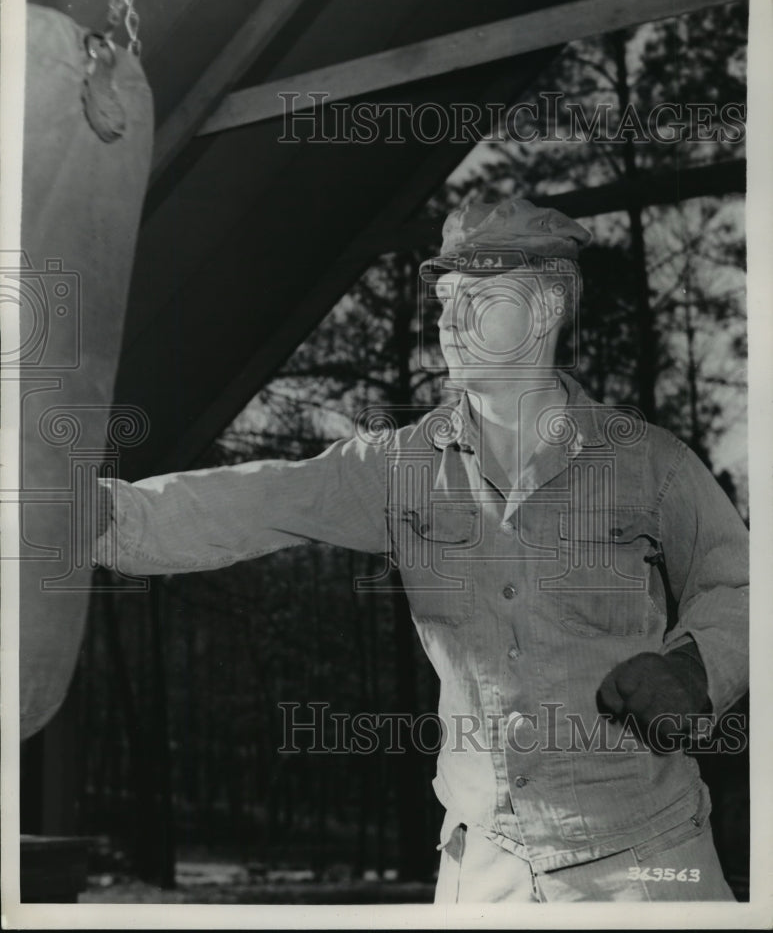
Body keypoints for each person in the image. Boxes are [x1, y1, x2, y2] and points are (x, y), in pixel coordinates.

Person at [93, 196, 748, 902]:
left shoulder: (648, 463)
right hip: (480, 864)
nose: (448, 322)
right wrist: (98, 515)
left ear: (549, 308)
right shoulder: (398, 467)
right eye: (443, 299)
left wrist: (694, 667)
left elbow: (741, 586)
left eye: (481, 299)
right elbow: (258, 498)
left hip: (646, 859)